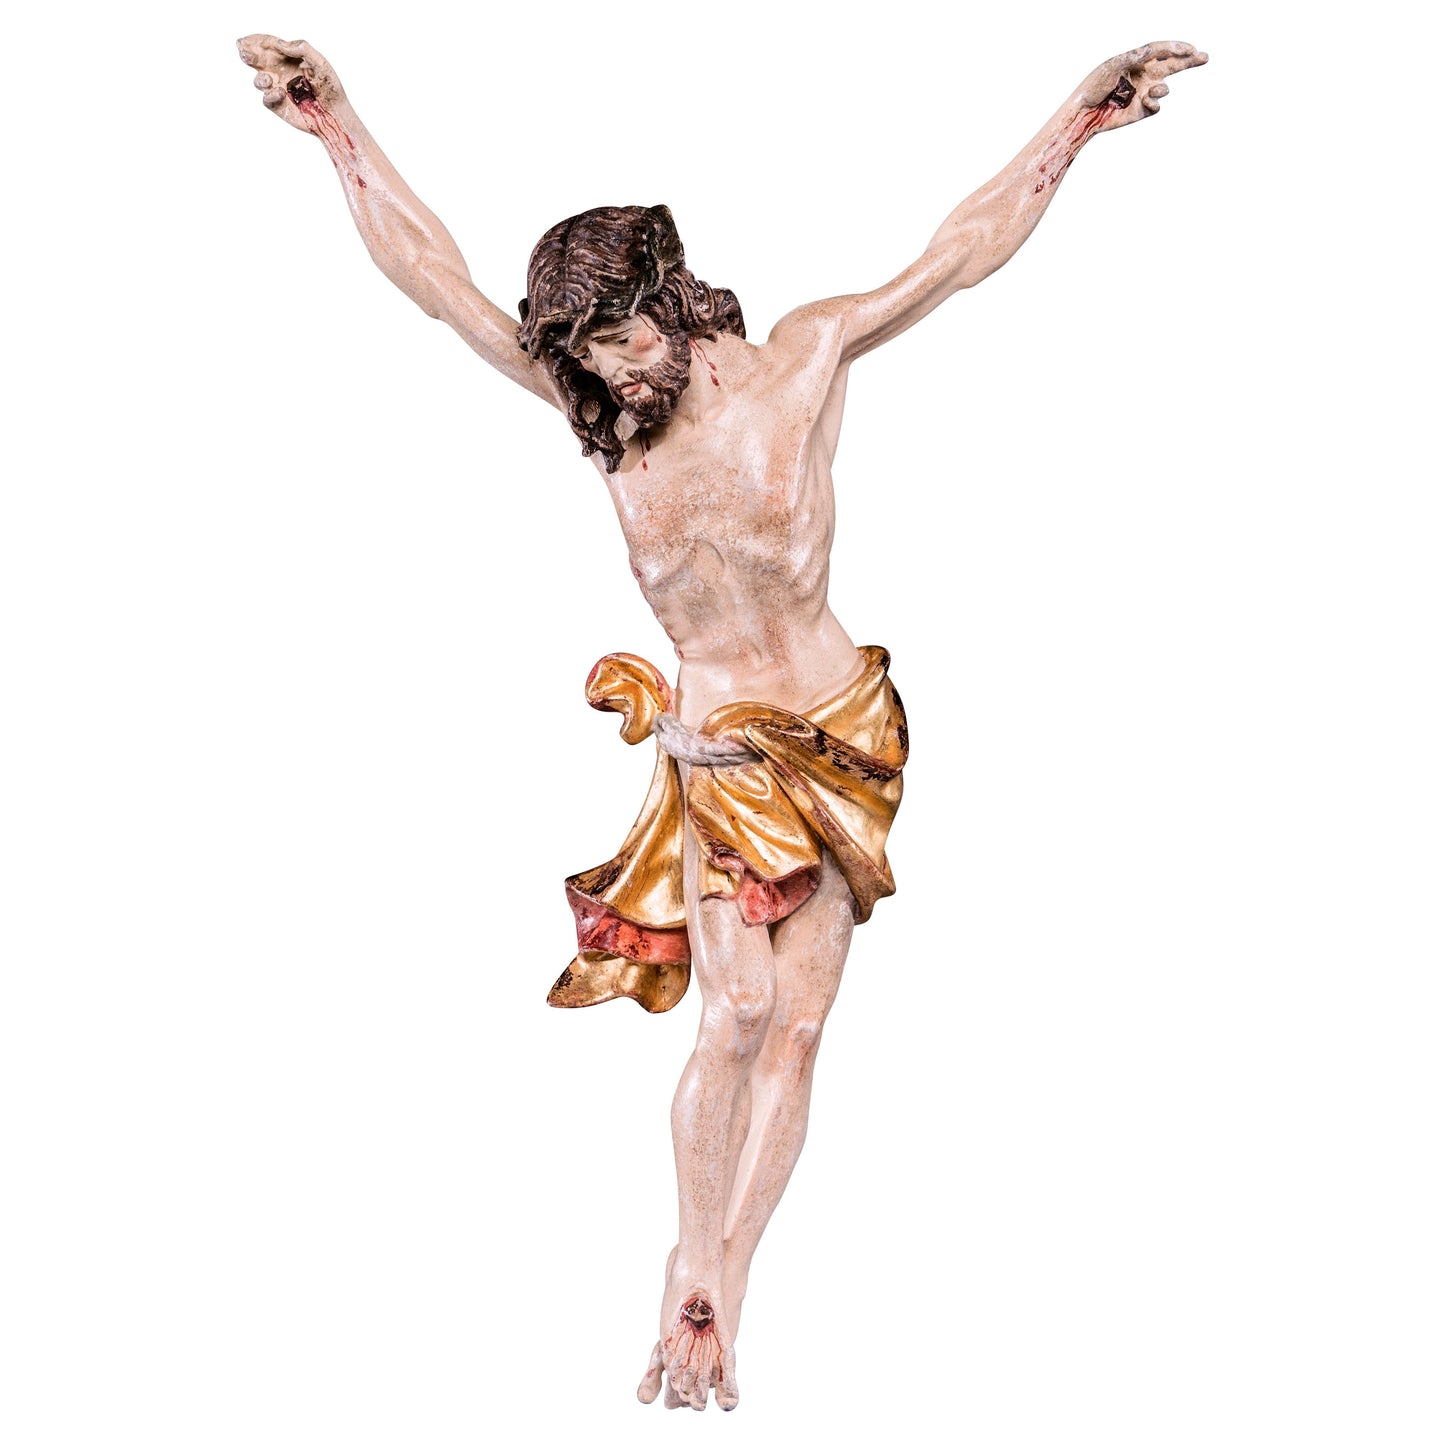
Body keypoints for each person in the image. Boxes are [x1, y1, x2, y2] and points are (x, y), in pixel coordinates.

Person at [237, 34, 1207, 1411]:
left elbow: (957, 252)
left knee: (797, 1029)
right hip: (715, 750)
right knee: (734, 1010)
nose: (611, 371)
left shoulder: (801, 361)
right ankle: (684, 1263)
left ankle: (723, 1287)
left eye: (624, 337)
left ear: (674, 303)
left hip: (834, 730)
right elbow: (436, 281)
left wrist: (1080, 121)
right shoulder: (603, 415)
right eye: (585, 351)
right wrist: (333, 125)